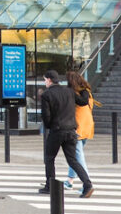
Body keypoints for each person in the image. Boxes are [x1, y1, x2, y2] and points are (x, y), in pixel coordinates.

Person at [39, 70, 94, 198]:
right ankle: (87, 184)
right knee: (72, 160)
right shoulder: (69, 91)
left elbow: (46, 116)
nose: (44, 82)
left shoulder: (47, 95)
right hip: (71, 130)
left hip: (57, 130)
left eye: (44, 79)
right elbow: (82, 101)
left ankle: (50, 186)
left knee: (49, 158)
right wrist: (85, 89)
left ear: (49, 80)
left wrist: (49, 126)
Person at [64, 71, 96, 191]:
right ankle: (69, 180)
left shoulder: (75, 94)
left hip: (77, 127)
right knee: (75, 155)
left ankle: (87, 183)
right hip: (87, 125)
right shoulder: (87, 92)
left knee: (77, 156)